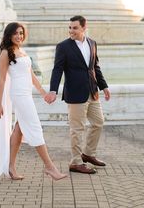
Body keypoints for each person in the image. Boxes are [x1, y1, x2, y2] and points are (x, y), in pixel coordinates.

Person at [0, 22, 67, 181]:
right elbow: (1, 80)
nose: (19, 36)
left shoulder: (21, 51)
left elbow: (31, 75)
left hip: (26, 94)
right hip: (18, 94)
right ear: (9, 35)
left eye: (21, 33)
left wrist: (43, 93)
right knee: (34, 127)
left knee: (19, 130)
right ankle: (50, 167)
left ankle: (11, 168)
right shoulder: (6, 53)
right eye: (16, 33)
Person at [45, 15, 111, 174]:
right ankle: (75, 162)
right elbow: (57, 69)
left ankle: (88, 154)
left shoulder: (92, 43)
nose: (71, 31)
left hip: (92, 91)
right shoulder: (63, 46)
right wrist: (53, 90)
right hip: (75, 93)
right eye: (70, 27)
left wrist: (104, 87)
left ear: (83, 28)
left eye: (74, 28)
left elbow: (95, 67)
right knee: (77, 128)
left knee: (98, 122)